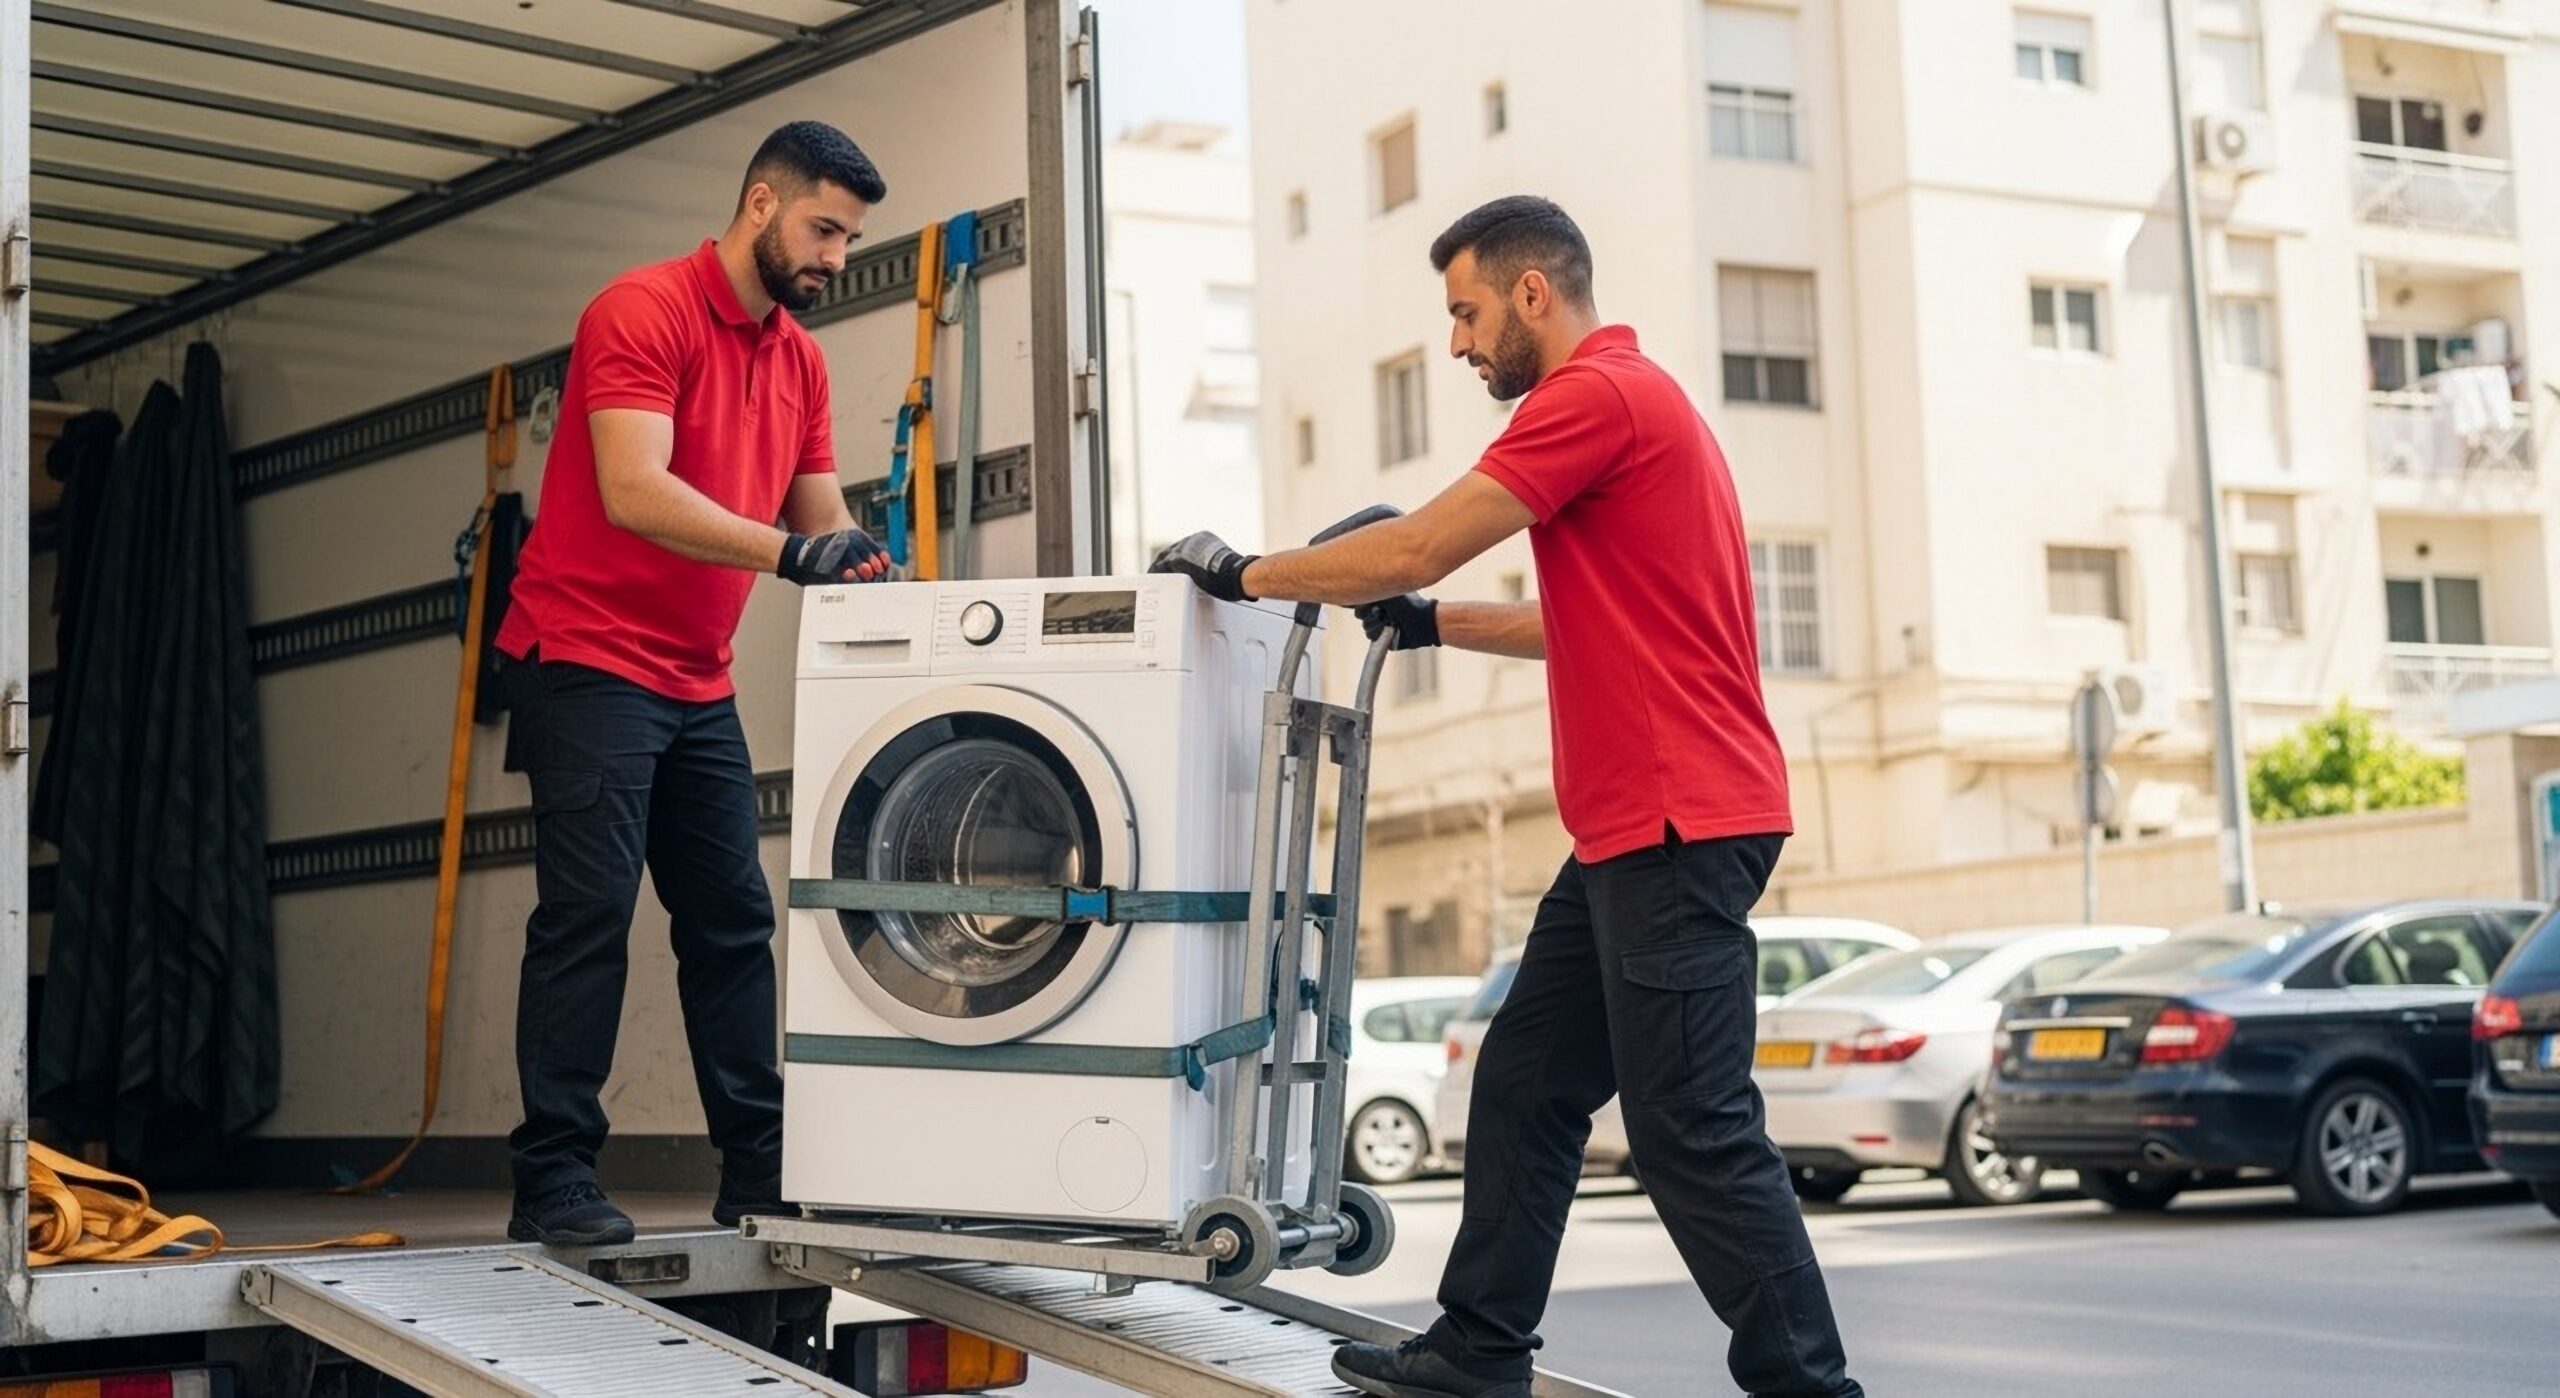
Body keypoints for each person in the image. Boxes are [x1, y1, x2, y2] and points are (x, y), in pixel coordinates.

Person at [1152, 196, 1862, 1398]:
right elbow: (1563, 619)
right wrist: (1433, 625)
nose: (1458, 343)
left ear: (1534, 294)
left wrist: (1243, 572)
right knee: (1527, 1085)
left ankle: (1811, 1390)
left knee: (1692, 1129)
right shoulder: (1641, 404)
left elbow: (1415, 544)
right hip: (1639, 830)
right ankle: (1479, 1351)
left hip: (1676, 824)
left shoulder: (1591, 397)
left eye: (1467, 312)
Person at [494, 121, 894, 1246]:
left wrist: (875, 579)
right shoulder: (641, 311)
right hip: (584, 659)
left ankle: (759, 1172)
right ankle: (553, 1177)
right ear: (761, 204)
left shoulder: (799, 359)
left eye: (850, 240)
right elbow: (635, 489)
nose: (835, 257)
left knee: (731, 921)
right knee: (588, 916)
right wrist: (793, 554)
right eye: (823, 230)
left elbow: (823, 521)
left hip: (693, 679)